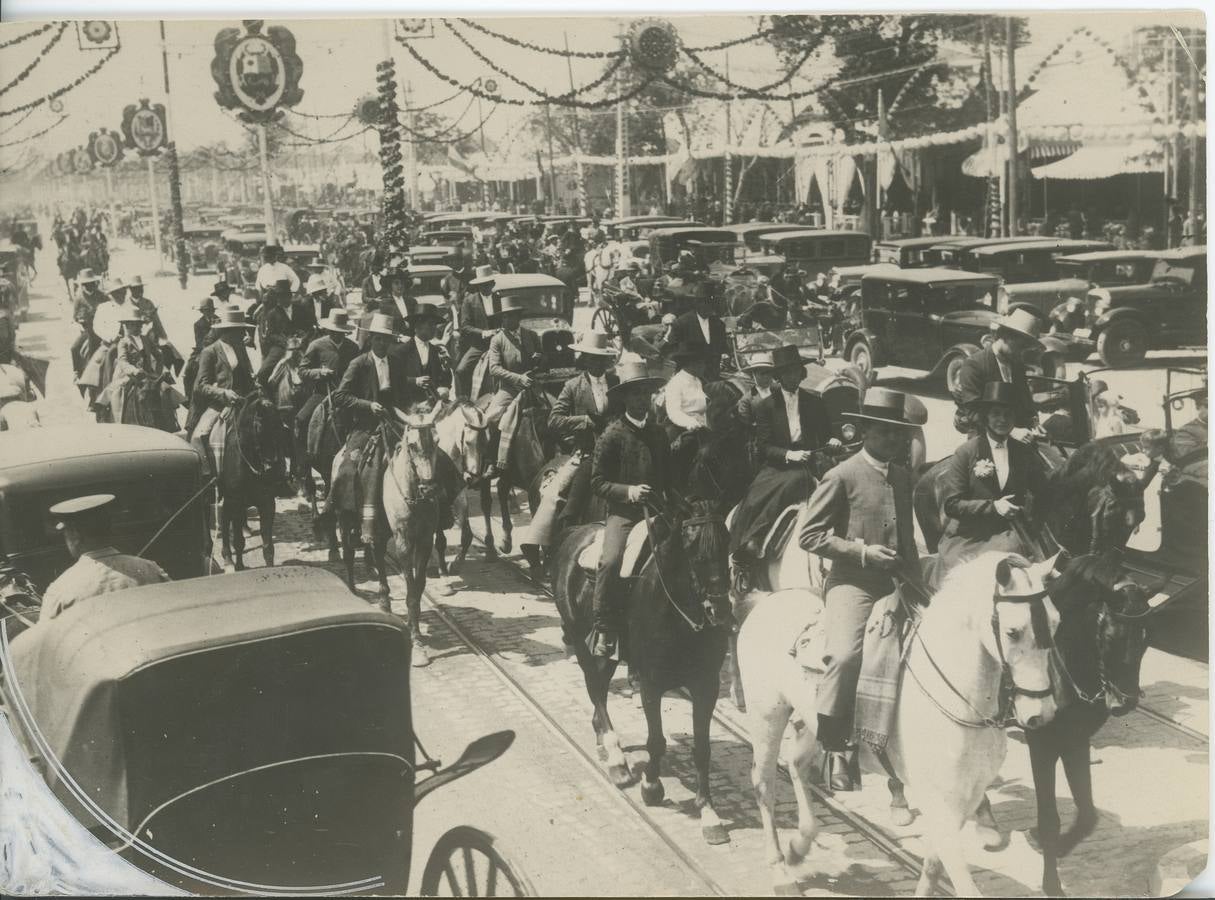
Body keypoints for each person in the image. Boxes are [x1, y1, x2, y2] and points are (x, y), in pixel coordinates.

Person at [799, 387, 920, 791]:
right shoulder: (842, 475)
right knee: (848, 656)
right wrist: (863, 553)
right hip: (853, 582)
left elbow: (906, 538)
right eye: (885, 433)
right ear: (866, 431)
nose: (894, 441)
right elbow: (811, 536)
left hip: (896, 581)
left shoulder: (903, 477)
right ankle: (836, 747)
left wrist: (917, 584)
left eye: (899, 435)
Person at [730, 344, 839, 582]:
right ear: (778, 376)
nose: (793, 377)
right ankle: (752, 541)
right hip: (780, 464)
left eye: (796, 371)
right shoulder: (765, 406)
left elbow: (826, 432)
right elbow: (764, 446)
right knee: (758, 497)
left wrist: (832, 440)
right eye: (787, 372)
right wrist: (789, 455)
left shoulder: (814, 401)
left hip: (812, 459)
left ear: (802, 373)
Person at [588, 359, 669, 658]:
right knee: (610, 561)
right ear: (624, 398)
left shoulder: (659, 433)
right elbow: (597, 483)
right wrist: (629, 492)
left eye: (645, 393)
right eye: (635, 394)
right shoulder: (612, 435)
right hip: (624, 513)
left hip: (658, 509)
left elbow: (668, 477)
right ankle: (605, 627)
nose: (641, 400)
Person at [937, 381, 1050, 580]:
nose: (1002, 420)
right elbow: (952, 504)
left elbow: (1044, 492)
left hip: (1011, 533)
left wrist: (1033, 522)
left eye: (1008, 415)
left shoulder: (1023, 452)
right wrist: (993, 507)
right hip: (971, 536)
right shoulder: (966, 452)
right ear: (986, 417)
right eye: (996, 413)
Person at [36, 494, 170, 622]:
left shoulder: (61, 588)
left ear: (75, 535)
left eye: (65, 535)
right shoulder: (150, 568)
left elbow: (46, 640)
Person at [546, 331, 619, 525]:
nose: (598, 364)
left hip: (618, 448)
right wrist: (584, 421)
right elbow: (554, 420)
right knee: (572, 499)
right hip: (588, 451)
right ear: (585, 360)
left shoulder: (616, 383)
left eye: (602, 359)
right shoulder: (572, 386)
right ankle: (566, 525)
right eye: (593, 359)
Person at [186, 306, 257, 478]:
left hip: (244, 399)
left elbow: (247, 375)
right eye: (240, 330)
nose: (243, 334)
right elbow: (200, 385)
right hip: (219, 403)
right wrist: (224, 393)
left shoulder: (240, 348)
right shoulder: (209, 352)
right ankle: (209, 477)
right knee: (198, 436)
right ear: (228, 331)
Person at [953, 308, 1042, 437]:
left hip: (1017, 436)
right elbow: (973, 413)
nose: (1021, 353)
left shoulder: (1016, 365)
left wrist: (1034, 423)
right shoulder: (974, 365)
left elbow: (1024, 401)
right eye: (1020, 347)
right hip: (984, 436)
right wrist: (1011, 431)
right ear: (1006, 336)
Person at [296, 308, 360, 478]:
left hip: (346, 395)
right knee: (301, 420)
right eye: (333, 332)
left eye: (340, 333)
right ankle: (304, 466)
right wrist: (319, 372)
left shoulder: (353, 348)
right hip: (322, 393)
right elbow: (302, 371)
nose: (336, 335)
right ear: (328, 330)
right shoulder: (317, 345)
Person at [484, 294, 543, 472]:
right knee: (490, 419)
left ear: (519, 317)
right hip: (509, 390)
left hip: (533, 387)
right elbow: (494, 368)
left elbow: (543, 362)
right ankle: (491, 461)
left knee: (556, 410)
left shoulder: (531, 335)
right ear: (502, 318)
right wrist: (518, 378)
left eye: (514, 315)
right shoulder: (497, 340)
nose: (509, 319)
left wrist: (539, 360)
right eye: (506, 316)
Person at [393, 300, 448, 408]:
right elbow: (394, 378)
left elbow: (442, 379)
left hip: (433, 403)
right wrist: (415, 381)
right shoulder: (401, 351)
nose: (434, 329)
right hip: (409, 404)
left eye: (435, 325)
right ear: (417, 326)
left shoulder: (435, 350)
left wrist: (444, 387)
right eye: (430, 324)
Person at [663, 290, 728, 380]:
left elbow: (723, 347)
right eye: (707, 303)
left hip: (712, 375)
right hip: (688, 375)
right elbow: (672, 349)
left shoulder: (718, 324)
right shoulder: (682, 323)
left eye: (713, 304)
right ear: (698, 304)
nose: (711, 308)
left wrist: (724, 355)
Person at [455, 265, 497, 399]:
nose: (485, 288)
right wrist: (483, 333)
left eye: (487, 284)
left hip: (500, 342)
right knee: (461, 370)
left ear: (493, 284)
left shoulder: (500, 299)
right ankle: (464, 400)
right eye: (481, 285)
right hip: (480, 344)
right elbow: (465, 327)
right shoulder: (469, 300)